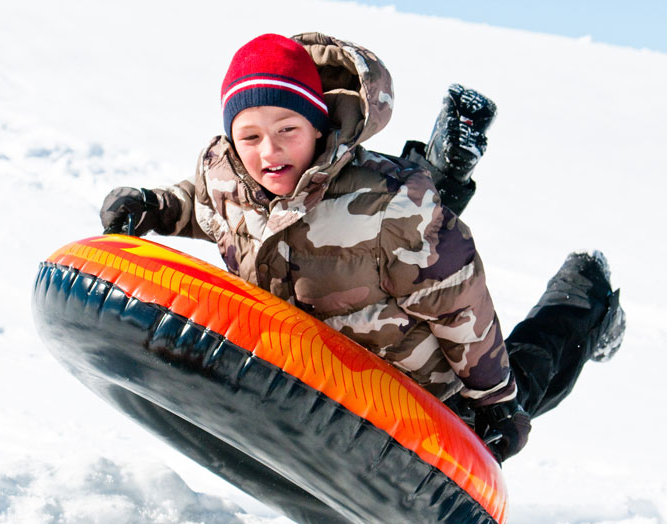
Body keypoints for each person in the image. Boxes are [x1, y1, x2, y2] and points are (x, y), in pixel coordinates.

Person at [99, 32, 625, 463]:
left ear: (319, 126)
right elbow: (205, 205)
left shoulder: (390, 210)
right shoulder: (226, 178)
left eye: (288, 129)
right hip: (324, 356)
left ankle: (587, 293)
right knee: (398, 232)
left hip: (419, 387)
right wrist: (155, 207)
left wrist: (496, 401)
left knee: (525, 374)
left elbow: (458, 300)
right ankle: (440, 171)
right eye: (250, 136)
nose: (270, 150)